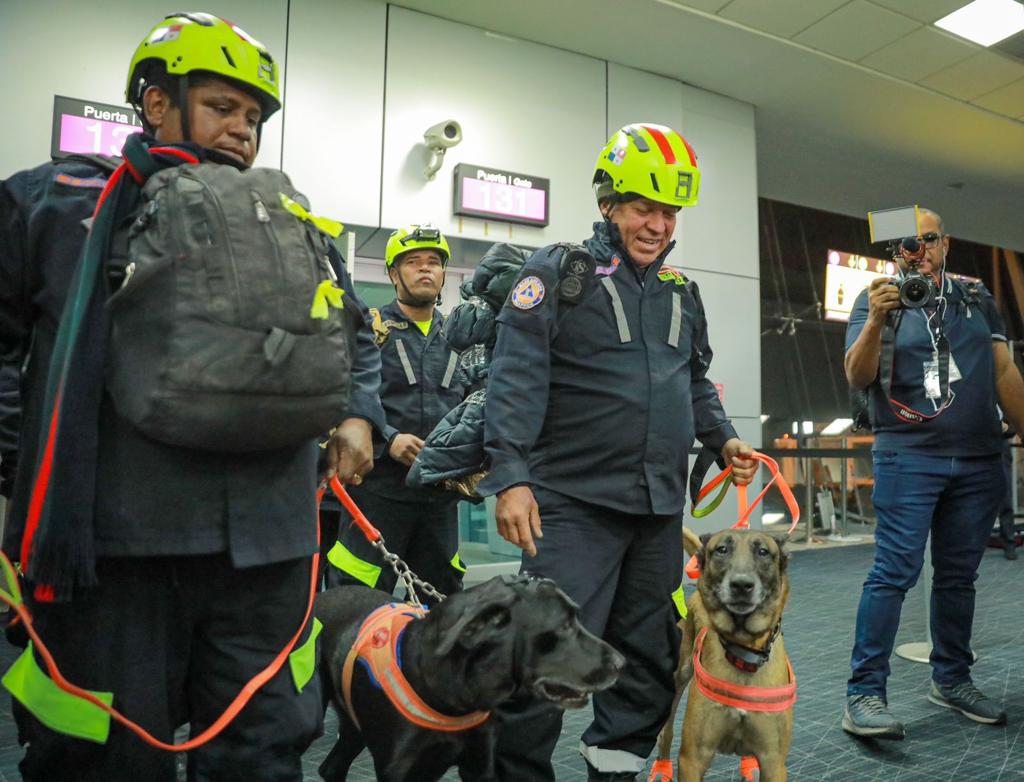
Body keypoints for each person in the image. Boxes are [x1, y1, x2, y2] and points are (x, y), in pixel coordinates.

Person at [0, 13, 385, 781]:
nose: (242, 129)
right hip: (114, 549)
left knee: (262, 748)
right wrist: (20, 468)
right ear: (154, 102)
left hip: (269, 546)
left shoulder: (291, 218)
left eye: (253, 116)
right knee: (105, 755)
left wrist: (356, 413)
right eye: (221, 106)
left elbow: (352, 333)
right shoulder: (53, 203)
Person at [479, 123, 756, 782]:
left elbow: (691, 379)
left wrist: (723, 439)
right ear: (609, 203)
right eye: (643, 208)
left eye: (668, 212)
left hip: (657, 513)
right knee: (542, 660)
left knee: (649, 663)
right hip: (571, 507)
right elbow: (515, 375)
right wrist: (511, 476)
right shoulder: (561, 271)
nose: (657, 225)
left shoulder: (681, 292)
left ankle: (614, 770)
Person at [842, 208, 1024, 740]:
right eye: (907, 242)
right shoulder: (876, 299)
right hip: (907, 455)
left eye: (927, 239)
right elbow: (857, 373)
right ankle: (864, 693)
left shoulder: (977, 299)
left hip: (977, 459)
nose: (919, 249)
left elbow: (1004, 371)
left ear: (945, 242)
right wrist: (876, 318)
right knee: (893, 574)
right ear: (895, 251)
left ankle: (952, 679)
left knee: (958, 578)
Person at [327, 225, 467, 602]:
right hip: (377, 494)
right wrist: (388, 438)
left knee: (444, 605)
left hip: (440, 499)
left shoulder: (460, 336)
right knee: (356, 598)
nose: (425, 269)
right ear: (393, 274)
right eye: (413, 262)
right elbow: (340, 399)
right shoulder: (369, 332)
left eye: (434, 262)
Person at [997, 423, 1019, 560]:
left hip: (999, 448)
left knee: (1005, 498)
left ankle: (1009, 542)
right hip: (974, 447)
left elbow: (1012, 429)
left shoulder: (1001, 402)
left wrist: (1003, 427)